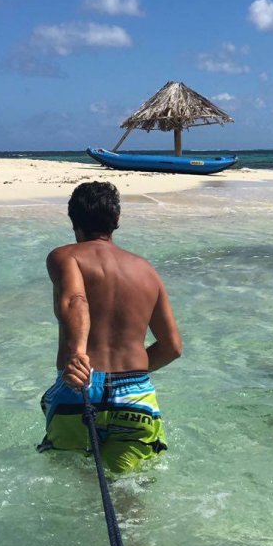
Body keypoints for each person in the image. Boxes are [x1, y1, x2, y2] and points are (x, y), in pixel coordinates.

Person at [37, 180, 182, 473]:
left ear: (73, 221)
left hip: (80, 385)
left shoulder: (65, 256)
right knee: (129, 496)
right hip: (134, 397)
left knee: (73, 484)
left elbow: (76, 299)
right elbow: (172, 347)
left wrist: (78, 353)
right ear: (116, 221)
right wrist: (130, 376)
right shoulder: (146, 270)